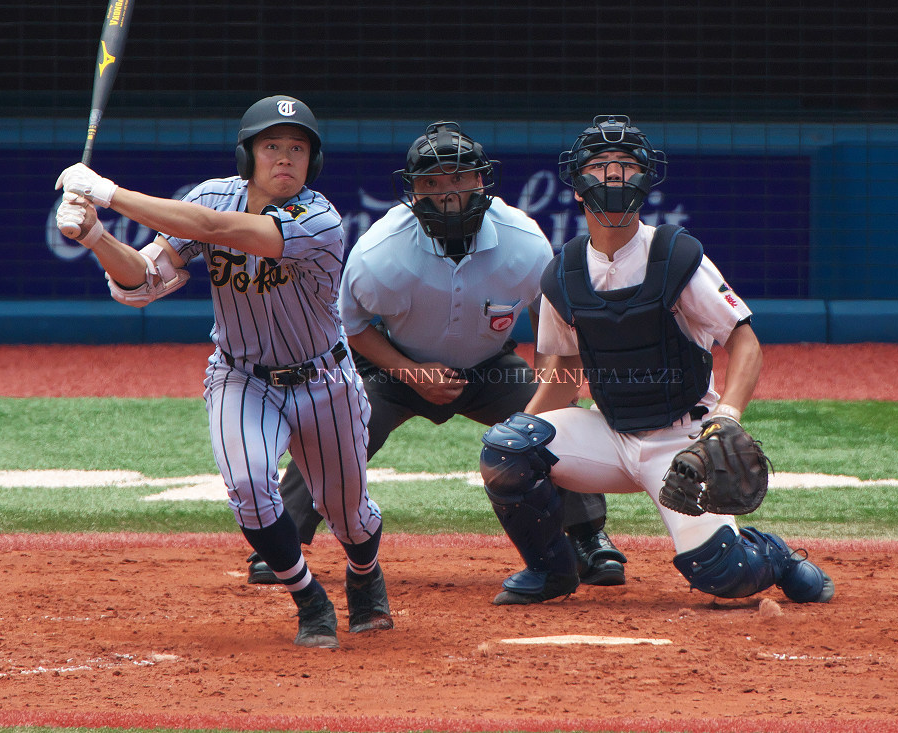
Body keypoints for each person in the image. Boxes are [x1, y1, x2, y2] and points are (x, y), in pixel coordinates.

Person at [53, 95, 392, 649]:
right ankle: (309, 598)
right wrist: (95, 236)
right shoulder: (211, 194)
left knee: (347, 514)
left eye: (298, 148)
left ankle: (364, 571)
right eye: (272, 146)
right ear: (248, 154)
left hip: (323, 380)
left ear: (313, 162)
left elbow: (220, 229)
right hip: (242, 377)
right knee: (248, 486)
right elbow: (142, 282)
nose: (285, 157)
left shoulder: (318, 218)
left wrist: (108, 194)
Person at [247, 121, 629, 588]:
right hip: (393, 366)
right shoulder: (378, 253)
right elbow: (353, 329)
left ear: (481, 181)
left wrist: (549, 399)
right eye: (431, 183)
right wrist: (410, 372)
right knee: (335, 420)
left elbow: (556, 332)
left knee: (553, 420)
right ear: (412, 191)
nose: (447, 193)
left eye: (458, 178)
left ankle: (588, 538)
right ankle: (281, 543)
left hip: (490, 368)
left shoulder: (524, 244)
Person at [478, 115, 835, 606]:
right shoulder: (563, 273)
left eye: (625, 166)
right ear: (578, 186)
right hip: (610, 432)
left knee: (721, 576)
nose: (613, 177)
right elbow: (563, 377)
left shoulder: (674, 255)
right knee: (509, 446)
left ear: (644, 179)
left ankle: (774, 556)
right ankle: (551, 572)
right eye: (600, 166)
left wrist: (726, 420)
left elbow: (745, 342)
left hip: (683, 441)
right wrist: (508, 454)